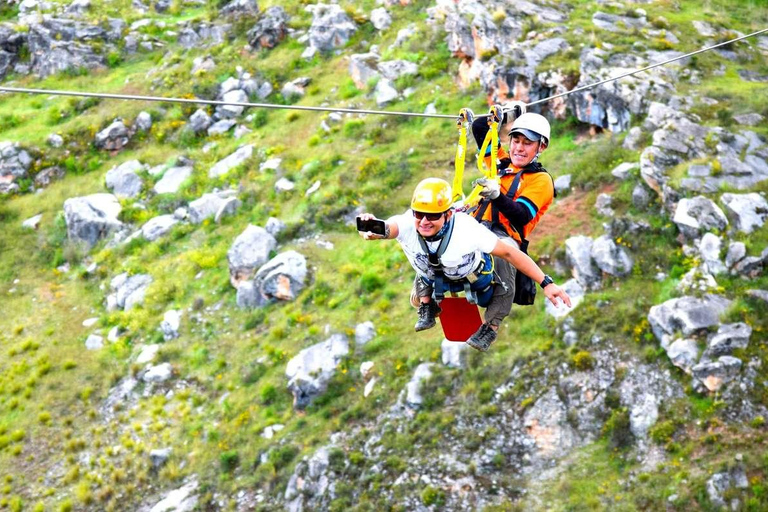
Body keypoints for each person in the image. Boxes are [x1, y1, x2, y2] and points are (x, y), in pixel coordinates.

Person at [357, 178, 570, 352]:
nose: (423, 221)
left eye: (432, 216)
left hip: (473, 276)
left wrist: (546, 283)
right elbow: (387, 229)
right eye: (419, 214)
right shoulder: (407, 224)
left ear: (448, 214)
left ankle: (491, 326)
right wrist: (371, 228)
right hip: (432, 276)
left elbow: (509, 253)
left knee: (506, 272)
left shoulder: (466, 230)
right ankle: (426, 304)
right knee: (422, 266)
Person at [464, 110, 556, 350]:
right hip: (476, 225)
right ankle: (426, 298)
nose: (519, 148)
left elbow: (522, 214)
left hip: (505, 234)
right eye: (516, 141)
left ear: (541, 147)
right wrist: (505, 113)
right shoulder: (500, 163)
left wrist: (497, 195)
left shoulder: (540, 180)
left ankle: (491, 326)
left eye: (527, 143)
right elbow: (481, 128)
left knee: (503, 254)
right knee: (434, 228)